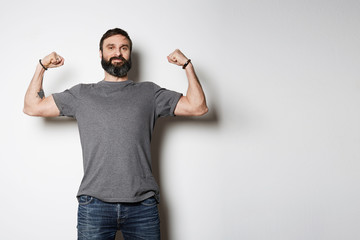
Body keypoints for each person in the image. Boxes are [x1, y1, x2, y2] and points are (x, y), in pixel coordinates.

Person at [23, 28, 208, 240]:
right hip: (94, 204)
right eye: (111, 47)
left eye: (124, 48)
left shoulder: (149, 93)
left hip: (143, 205)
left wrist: (187, 66)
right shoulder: (82, 94)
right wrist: (41, 67)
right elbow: (32, 107)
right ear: (101, 54)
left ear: (129, 54)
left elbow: (198, 106)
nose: (118, 52)